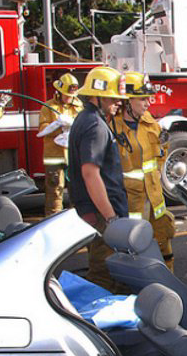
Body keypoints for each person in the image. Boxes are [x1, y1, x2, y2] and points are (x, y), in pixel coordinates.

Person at [67, 66, 129, 290]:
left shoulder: (85, 119)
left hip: (92, 210)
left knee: (104, 270)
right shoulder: (95, 126)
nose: (118, 102)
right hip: (102, 213)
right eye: (113, 98)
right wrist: (111, 217)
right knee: (105, 274)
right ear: (98, 95)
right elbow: (90, 174)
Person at [113, 72, 176, 270]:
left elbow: (162, 150)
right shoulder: (112, 127)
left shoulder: (150, 124)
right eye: (143, 98)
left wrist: (156, 171)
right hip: (130, 204)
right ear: (127, 101)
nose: (148, 103)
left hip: (155, 199)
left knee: (163, 243)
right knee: (132, 251)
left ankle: (169, 284)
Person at [38, 73, 84, 215]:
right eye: (66, 95)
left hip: (73, 156)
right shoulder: (48, 107)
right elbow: (42, 129)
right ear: (58, 92)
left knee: (76, 191)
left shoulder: (78, 106)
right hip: (54, 156)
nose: (69, 98)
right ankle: (52, 220)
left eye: (71, 96)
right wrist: (58, 126)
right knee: (55, 190)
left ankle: (76, 220)